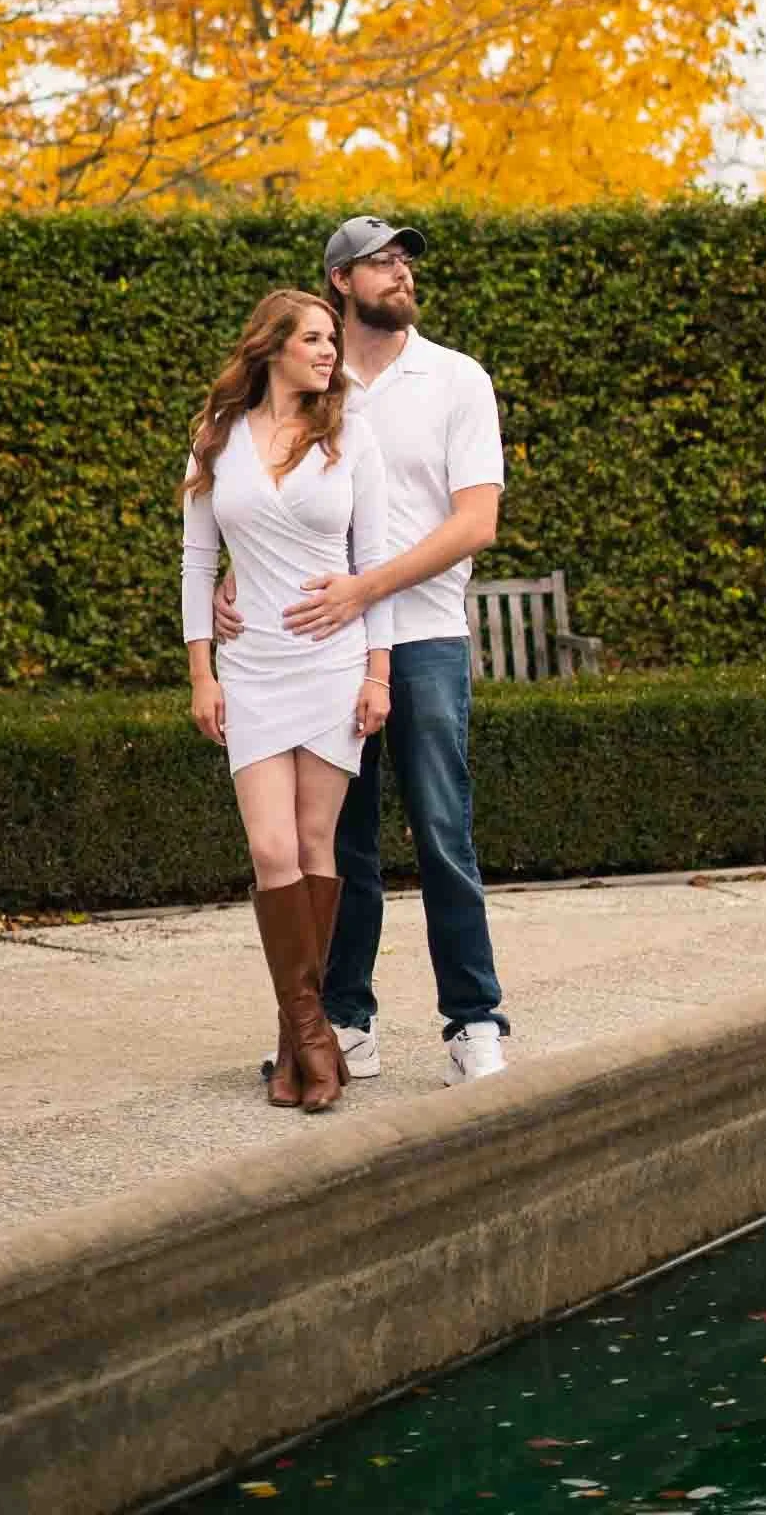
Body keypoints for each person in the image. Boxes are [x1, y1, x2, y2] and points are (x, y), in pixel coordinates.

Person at [216, 217, 510, 1085]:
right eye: (383, 261)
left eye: (407, 259)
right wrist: (239, 570)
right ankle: (343, 1021)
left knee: (443, 832)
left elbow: (476, 522)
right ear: (341, 280)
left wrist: (364, 588)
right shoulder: (313, 379)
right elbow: (267, 496)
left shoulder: (455, 378)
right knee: (338, 848)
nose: (403, 271)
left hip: (425, 638)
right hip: (323, 652)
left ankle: (474, 1021)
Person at [182, 288, 393, 1113]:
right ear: (271, 346)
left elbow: (373, 562)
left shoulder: (351, 435)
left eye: (332, 338)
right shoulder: (216, 436)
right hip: (253, 670)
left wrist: (377, 674)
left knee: (313, 846)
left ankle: (295, 1049)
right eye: (313, 338)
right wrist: (202, 672)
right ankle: (314, 1039)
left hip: (333, 664)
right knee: (272, 851)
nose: (329, 351)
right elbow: (198, 561)